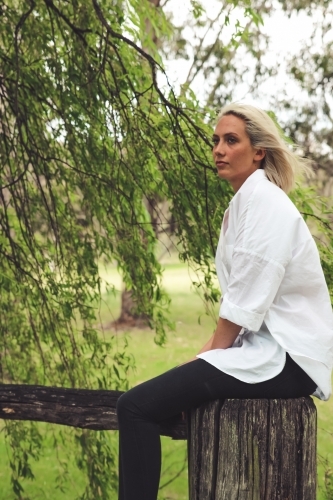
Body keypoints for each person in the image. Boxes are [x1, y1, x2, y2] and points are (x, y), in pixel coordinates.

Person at [116, 103, 333, 500]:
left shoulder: (266, 204)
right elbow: (239, 310)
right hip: (269, 350)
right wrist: (197, 367)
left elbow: (240, 311)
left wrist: (197, 366)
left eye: (231, 140)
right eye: (215, 140)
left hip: (289, 357)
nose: (218, 148)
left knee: (135, 407)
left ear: (258, 151)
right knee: (148, 401)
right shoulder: (245, 204)